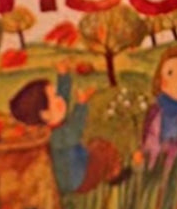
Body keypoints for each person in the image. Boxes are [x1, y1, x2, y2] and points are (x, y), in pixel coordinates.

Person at [9, 62, 119, 194]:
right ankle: (114, 176)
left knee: (95, 144)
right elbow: (75, 131)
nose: (60, 99)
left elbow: (63, 99)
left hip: (76, 168)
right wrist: (81, 105)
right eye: (54, 98)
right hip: (78, 180)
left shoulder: (52, 123)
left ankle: (108, 172)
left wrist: (63, 76)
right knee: (104, 149)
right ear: (45, 114)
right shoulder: (55, 136)